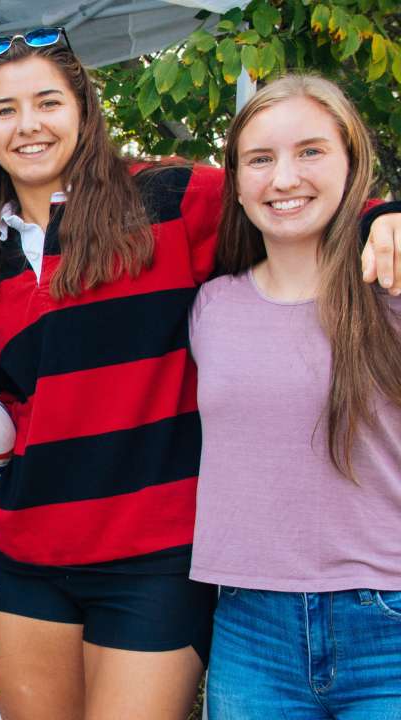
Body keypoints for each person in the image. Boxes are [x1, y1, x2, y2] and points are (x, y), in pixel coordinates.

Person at [0, 28, 401, 719]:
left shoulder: (172, 199)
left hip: (155, 560)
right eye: (6, 110)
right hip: (29, 557)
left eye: (48, 102)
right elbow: (3, 412)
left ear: (84, 110)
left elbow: (283, 200)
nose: (29, 125)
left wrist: (383, 215)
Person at [190, 74, 401, 718]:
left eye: (311, 151)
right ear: (236, 178)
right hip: (250, 626)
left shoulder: (390, 289)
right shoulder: (209, 306)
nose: (284, 179)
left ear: (351, 162)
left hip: (387, 618)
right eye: (261, 159)